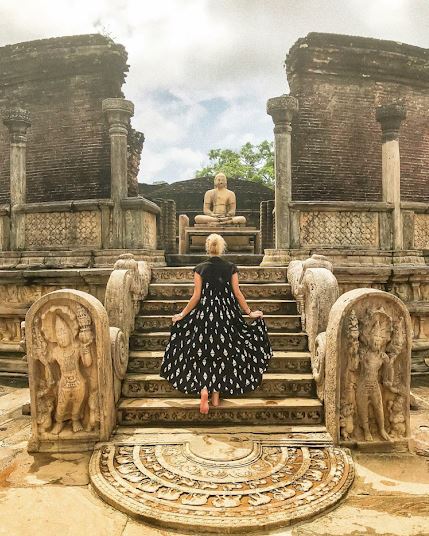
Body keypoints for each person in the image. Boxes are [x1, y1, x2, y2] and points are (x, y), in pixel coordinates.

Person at [160, 233, 272, 414]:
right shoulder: (230, 268)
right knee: (222, 352)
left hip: (204, 316)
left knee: (204, 353)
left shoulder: (200, 268)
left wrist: (182, 314)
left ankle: (204, 390)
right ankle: (215, 397)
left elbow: (196, 296)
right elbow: (237, 293)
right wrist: (250, 312)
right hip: (227, 316)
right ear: (221, 248)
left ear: (207, 247)